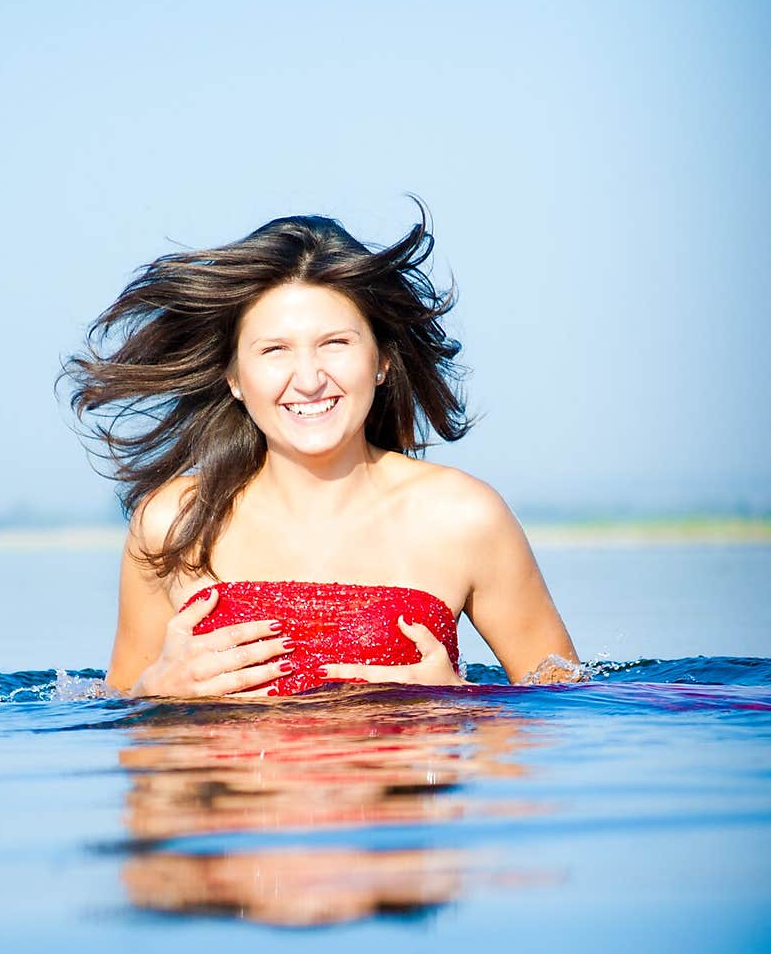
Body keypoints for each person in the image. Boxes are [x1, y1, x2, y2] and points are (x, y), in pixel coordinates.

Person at [65, 198, 579, 698]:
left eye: (335, 343)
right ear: (235, 377)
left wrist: (463, 700)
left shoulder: (466, 517)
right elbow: (122, 719)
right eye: (274, 350)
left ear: (380, 361)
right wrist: (154, 694)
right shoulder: (171, 523)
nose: (308, 379)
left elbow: (566, 703)